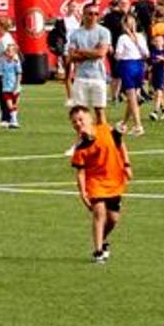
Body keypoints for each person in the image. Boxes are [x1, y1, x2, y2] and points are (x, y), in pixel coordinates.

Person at [68, 102, 130, 259]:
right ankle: (98, 252)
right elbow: (80, 172)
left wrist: (127, 164)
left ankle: (101, 240)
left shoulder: (105, 130)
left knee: (114, 219)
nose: (78, 124)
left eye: (81, 119)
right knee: (99, 213)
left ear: (89, 119)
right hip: (95, 183)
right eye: (74, 122)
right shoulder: (81, 148)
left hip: (114, 180)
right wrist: (83, 193)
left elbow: (120, 144)